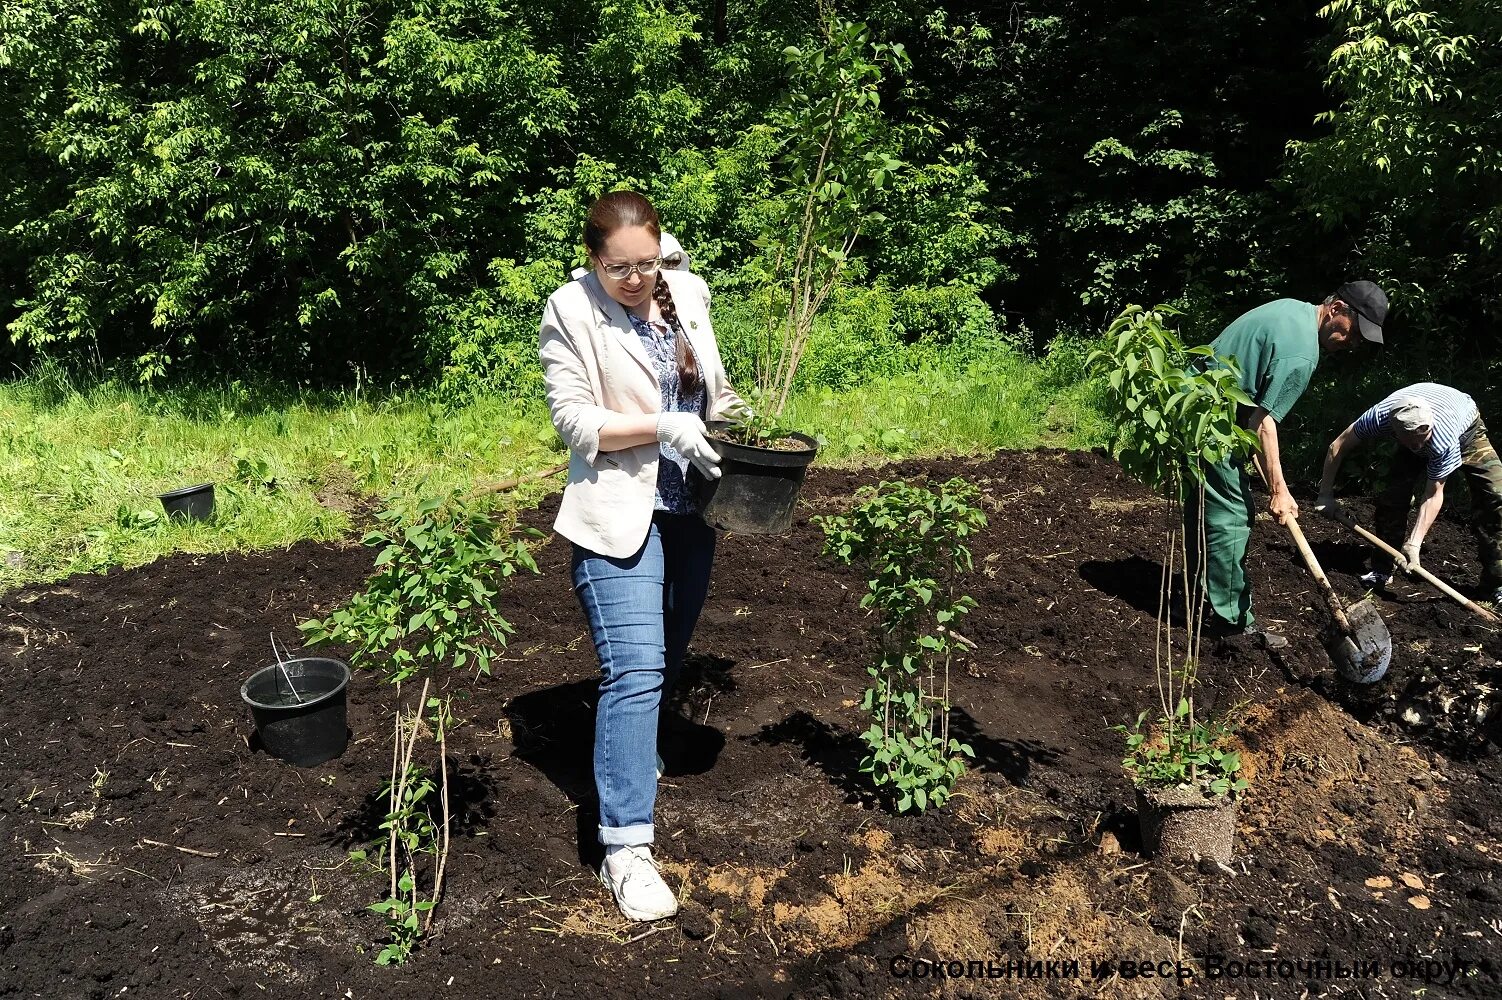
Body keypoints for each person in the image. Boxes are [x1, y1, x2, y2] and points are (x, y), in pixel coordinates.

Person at [538, 191, 744, 922]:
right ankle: (625, 848)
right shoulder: (572, 309)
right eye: (618, 267)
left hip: (695, 506)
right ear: (595, 257)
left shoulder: (685, 291)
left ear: (665, 252)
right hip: (620, 509)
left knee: (673, 645)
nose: (634, 279)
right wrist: (663, 426)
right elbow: (575, 421)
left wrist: (732, 425)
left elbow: (708, 388)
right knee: (636, 666)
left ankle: (635, 743)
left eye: (646, 264)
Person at [1189, 281, 1388, 649]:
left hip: (1196, 404)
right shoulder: (1301, 353)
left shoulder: (1293, 308)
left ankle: (1202, 593)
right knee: (1232, 515)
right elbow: (1263, 423)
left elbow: (1248, 399)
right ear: (1337, 309)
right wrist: (1280, 491)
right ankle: (1232, 625)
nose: (1353, 344)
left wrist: (1268, 471)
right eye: (1355, 332)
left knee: (1208, 506)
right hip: (1210, 419)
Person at [1314, 383, 1502, 603]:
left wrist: (1414, 543)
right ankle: (1383, 568)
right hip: (1415, 429)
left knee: (1496, 496)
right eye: (1413, 440)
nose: (1419, 445)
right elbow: (1337, 446)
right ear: (1393, 430)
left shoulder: (1441, 439)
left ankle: (1495, 584)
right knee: (1392, 497)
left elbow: (1432, 493)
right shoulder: (1379, 418)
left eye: (1423, 437)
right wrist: (1325, 494)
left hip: (1467, 429)